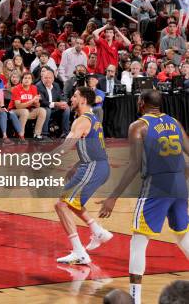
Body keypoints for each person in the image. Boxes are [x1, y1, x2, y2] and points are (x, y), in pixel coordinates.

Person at [98, 90, 189, 304]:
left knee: (138, 241)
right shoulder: (174, 121)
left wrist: (113, 196)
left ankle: (135, 299)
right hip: (178, 186)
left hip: (155, 188)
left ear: (141, 103)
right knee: (182, 235)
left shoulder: (138, 126)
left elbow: (134, 165)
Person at [53, 86, 112, 265]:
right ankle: (98, 231)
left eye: (75, 96)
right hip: (95, 166)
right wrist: (76, 165)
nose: (71, 98)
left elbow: (66, 146)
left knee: (61, 205)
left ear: (84, 100)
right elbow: (93, 148)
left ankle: (80, 252)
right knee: (71, 202)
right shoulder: (93, 119)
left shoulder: (82, 121)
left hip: (93, 167)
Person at [37, 68, 71, 138]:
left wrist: (62, 102)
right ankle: (44, 134)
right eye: (45, 78)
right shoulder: (38, 86)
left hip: (55, 108)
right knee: (47, 110)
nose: (48, 80)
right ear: (42, 78)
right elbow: (42, 101)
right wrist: (55, 104)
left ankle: (65, 133)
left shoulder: (56, 85)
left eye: (50, 78)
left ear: (53, 79)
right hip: (43, 108)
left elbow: (61, 96)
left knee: (66, 109)